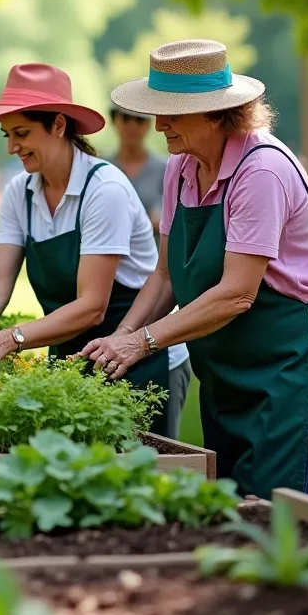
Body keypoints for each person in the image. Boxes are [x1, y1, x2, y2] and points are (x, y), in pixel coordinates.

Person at [83, 39, 308, 497]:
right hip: (232, 375)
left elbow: (238, 293)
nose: (158, 125)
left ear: (215, 112)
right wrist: (123, 336)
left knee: (278, 526)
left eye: (171, 111)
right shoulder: (182, 166)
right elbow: (167, 276)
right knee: (233, 521)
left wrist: (144, 342)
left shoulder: (262, 171)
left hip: (301, 375)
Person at [0, 63, 188, 438]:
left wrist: (10, 338)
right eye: (7, 134)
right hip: (70, 356)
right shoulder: (20, 191)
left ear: (58, 125)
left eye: (22, 133)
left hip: (139, 359)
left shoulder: (104, 190)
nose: (11, 146)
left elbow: (92, 305)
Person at [108, 105, 193, 437]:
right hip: (124, 289)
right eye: (126, 118)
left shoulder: (166, 166)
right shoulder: (105, 167)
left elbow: (161, 225)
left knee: (159, 439)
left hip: (155, 283)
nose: (135, 126)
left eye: (139, 119)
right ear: (115, 122)